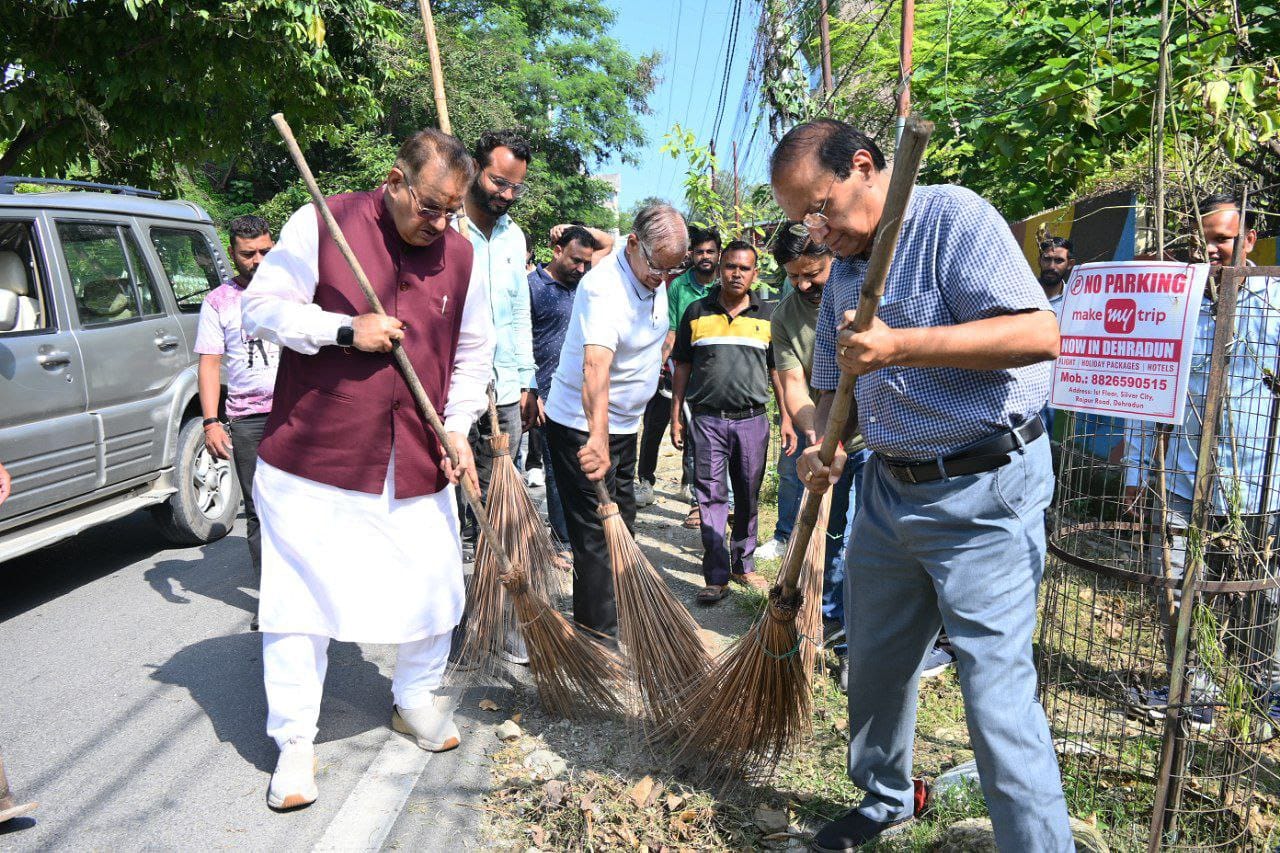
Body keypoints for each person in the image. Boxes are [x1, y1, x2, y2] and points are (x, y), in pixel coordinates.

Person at [773, 119, 1071, 851]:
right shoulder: (843, 264)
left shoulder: (952, 219)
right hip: (888, 489)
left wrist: (900, 345)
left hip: (985, 489)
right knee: (873, 662)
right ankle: (886, 795)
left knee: (996, 699)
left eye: (820, 209)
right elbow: (830, 395)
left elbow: (1038, 334)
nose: (815, 231)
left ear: (865, 168)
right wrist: (823, 451)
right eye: (799, 220)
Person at [241, 129, 494, 811]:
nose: (439, 224)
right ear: (394, 179)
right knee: (299, 604)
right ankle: (295, 742)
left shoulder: (464, 257)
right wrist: (344, 329)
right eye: (429, 207)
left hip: (414, 452)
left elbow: (472, 355)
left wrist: (459, 426)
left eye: (452, 211)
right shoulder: (323, 222)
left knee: (438, 585)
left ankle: (413, 698)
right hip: (315, 455)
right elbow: (259, 309)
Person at [1122, 193, 1280, 728]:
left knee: (1257, 602)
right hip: (1184, 483)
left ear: (1250, 241)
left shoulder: (1274, 301)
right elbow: (1146, 388)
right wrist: (1138, 472)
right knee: (1182, 591)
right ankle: (1196, 693)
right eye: (1202, 239)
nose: (1210, 249)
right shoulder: (1177, 306)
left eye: (1222, 239)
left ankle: (1261, 696)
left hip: (1258, 486)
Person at [543, 202, 688, 636]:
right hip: (582, 425)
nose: (663, 279)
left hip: (625, 424)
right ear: (633, 246)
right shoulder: (604, 288)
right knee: (594, 533)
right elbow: (595, 368)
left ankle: (621, 611)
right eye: (657, 269)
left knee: (622, 522)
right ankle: (598, 638)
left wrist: (575, 223)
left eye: (671, 271)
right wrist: (598, 439)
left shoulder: (640, 258)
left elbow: (606, 239)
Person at [762, 227, 862, 689]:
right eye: (794, 276)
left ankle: (866, 640)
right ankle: (832, 633)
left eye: (812, 273)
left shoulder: (860, 287)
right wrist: (817, 437)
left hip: (880, 441)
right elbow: (795, 383)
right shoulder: (785, 316)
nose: (804, 285)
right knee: (832, 537)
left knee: (869, 547)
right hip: (828, 443)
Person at [670, 240, 774, 604]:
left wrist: (789, 418)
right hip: (708, 420)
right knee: (711, 497)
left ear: (754, 274)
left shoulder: (767, 316)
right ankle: (715, 575)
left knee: (747, 493)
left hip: (752, 421)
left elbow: (778, 371)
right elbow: (681, 364)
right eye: (730, 266)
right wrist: (676, 414)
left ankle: (743, 566)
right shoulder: (697, 312)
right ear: (719, 268)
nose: (736, 274)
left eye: (744, 268)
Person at [194, 214, 277, 631]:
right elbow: (209, 365)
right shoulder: (219, 302)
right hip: (248, 420)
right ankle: (273, 601)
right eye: (248, 254)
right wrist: (212, 422)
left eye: (265, 251)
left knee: (311, 504)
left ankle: (318, 596)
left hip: (298, 415)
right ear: (232, 254)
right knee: (259, 512)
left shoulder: (293, 293)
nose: (258, 260)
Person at [460, 129, 538, 559]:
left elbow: (520, 313)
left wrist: (527, 381)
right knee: (453, 491)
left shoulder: (514, 237)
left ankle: (495, 593)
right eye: (498, 182)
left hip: (505, 387)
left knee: (501, 493)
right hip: (454, 387)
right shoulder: (448, 228)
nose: (507, 194)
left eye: (516, 187)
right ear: (474, 168)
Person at [528, 224, 611, 552]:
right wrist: (532, 391)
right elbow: (521, 338)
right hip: (548, 397)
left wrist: (583, 229)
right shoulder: (532, 287)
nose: (581, 268)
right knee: (556, 471)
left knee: (586, 465)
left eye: (585, 262)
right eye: (575, 260)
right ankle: (563, 541)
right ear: (556, 250)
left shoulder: (587, 282)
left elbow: (610, 243)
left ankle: (583, 533)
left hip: (584, 393)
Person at [636, 227, 721, 520]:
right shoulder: (677, 287)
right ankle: (645, 481)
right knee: (656, 423)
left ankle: (689, 482)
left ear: (718, 255)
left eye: (710, 251)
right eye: (700, 252)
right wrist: (658, 365)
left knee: (695, 428)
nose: (705, 257)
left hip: (707, 372)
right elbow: (670, 330)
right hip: (674, 367)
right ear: (692, 255)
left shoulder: (721, 289)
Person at [1037, 235, 1074, 317]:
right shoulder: (1022, 292)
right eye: (1047, 259)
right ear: (1039, 261)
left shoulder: (1075, 300)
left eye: (1059, 260)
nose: (1051, 266)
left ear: (1070, 264)